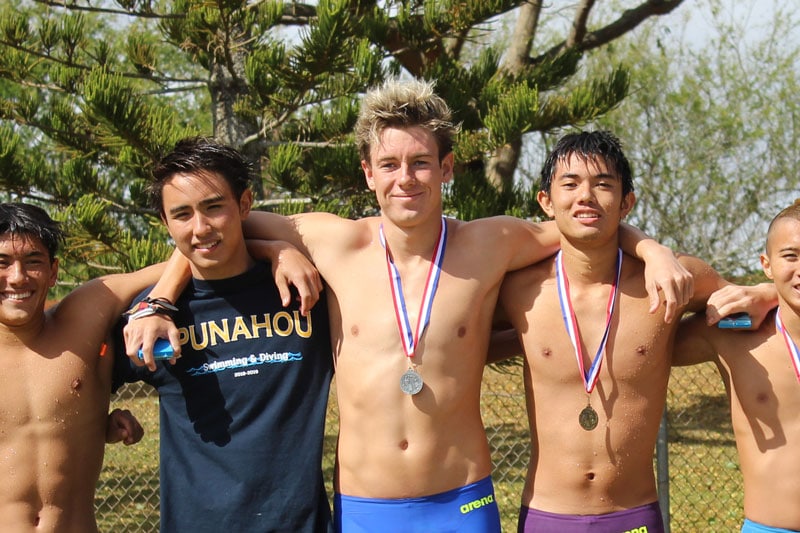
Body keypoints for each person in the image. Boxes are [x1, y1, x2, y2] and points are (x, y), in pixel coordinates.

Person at [128, 80, 693, 532]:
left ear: (446, 168)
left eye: (421, 163)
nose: (406, 179)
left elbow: (585, 219)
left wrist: (652, 248)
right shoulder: (334, 242)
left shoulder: (488, 243)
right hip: (368, 505)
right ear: (368, 173)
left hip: (463, 502)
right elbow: (210, 228)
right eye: (390, 165)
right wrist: (166, 296)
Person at [498, 130, 777, 533]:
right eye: (570, 183)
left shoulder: (673, 279)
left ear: (626, 202)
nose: (586, 196)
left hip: (633, 514)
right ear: (546, 201)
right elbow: (461, 334)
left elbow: (747, 300)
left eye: (604, 184)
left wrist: (767, 290)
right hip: (547, 514)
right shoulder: (517, 289)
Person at [111, 137, 334, 533]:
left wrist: (279, 249)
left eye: (214, 207)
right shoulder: (151, 318)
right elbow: (73, 386)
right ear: (165, 223)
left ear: (245, 205)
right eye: (181, 214)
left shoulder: (307, 292)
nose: (200, 228)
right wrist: (101, 421)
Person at [0, 202, 164, 532]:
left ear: (54, 271)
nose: (17, 278)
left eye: (33, 262)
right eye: (2, 263)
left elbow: (197, 254)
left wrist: (274, 249)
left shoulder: (84, 319)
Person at [674, 199, 800, 533]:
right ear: (766, 263)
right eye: (791, 256)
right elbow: (644, 337)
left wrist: (771, 291)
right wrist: (766, 292)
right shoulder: (730, 334)